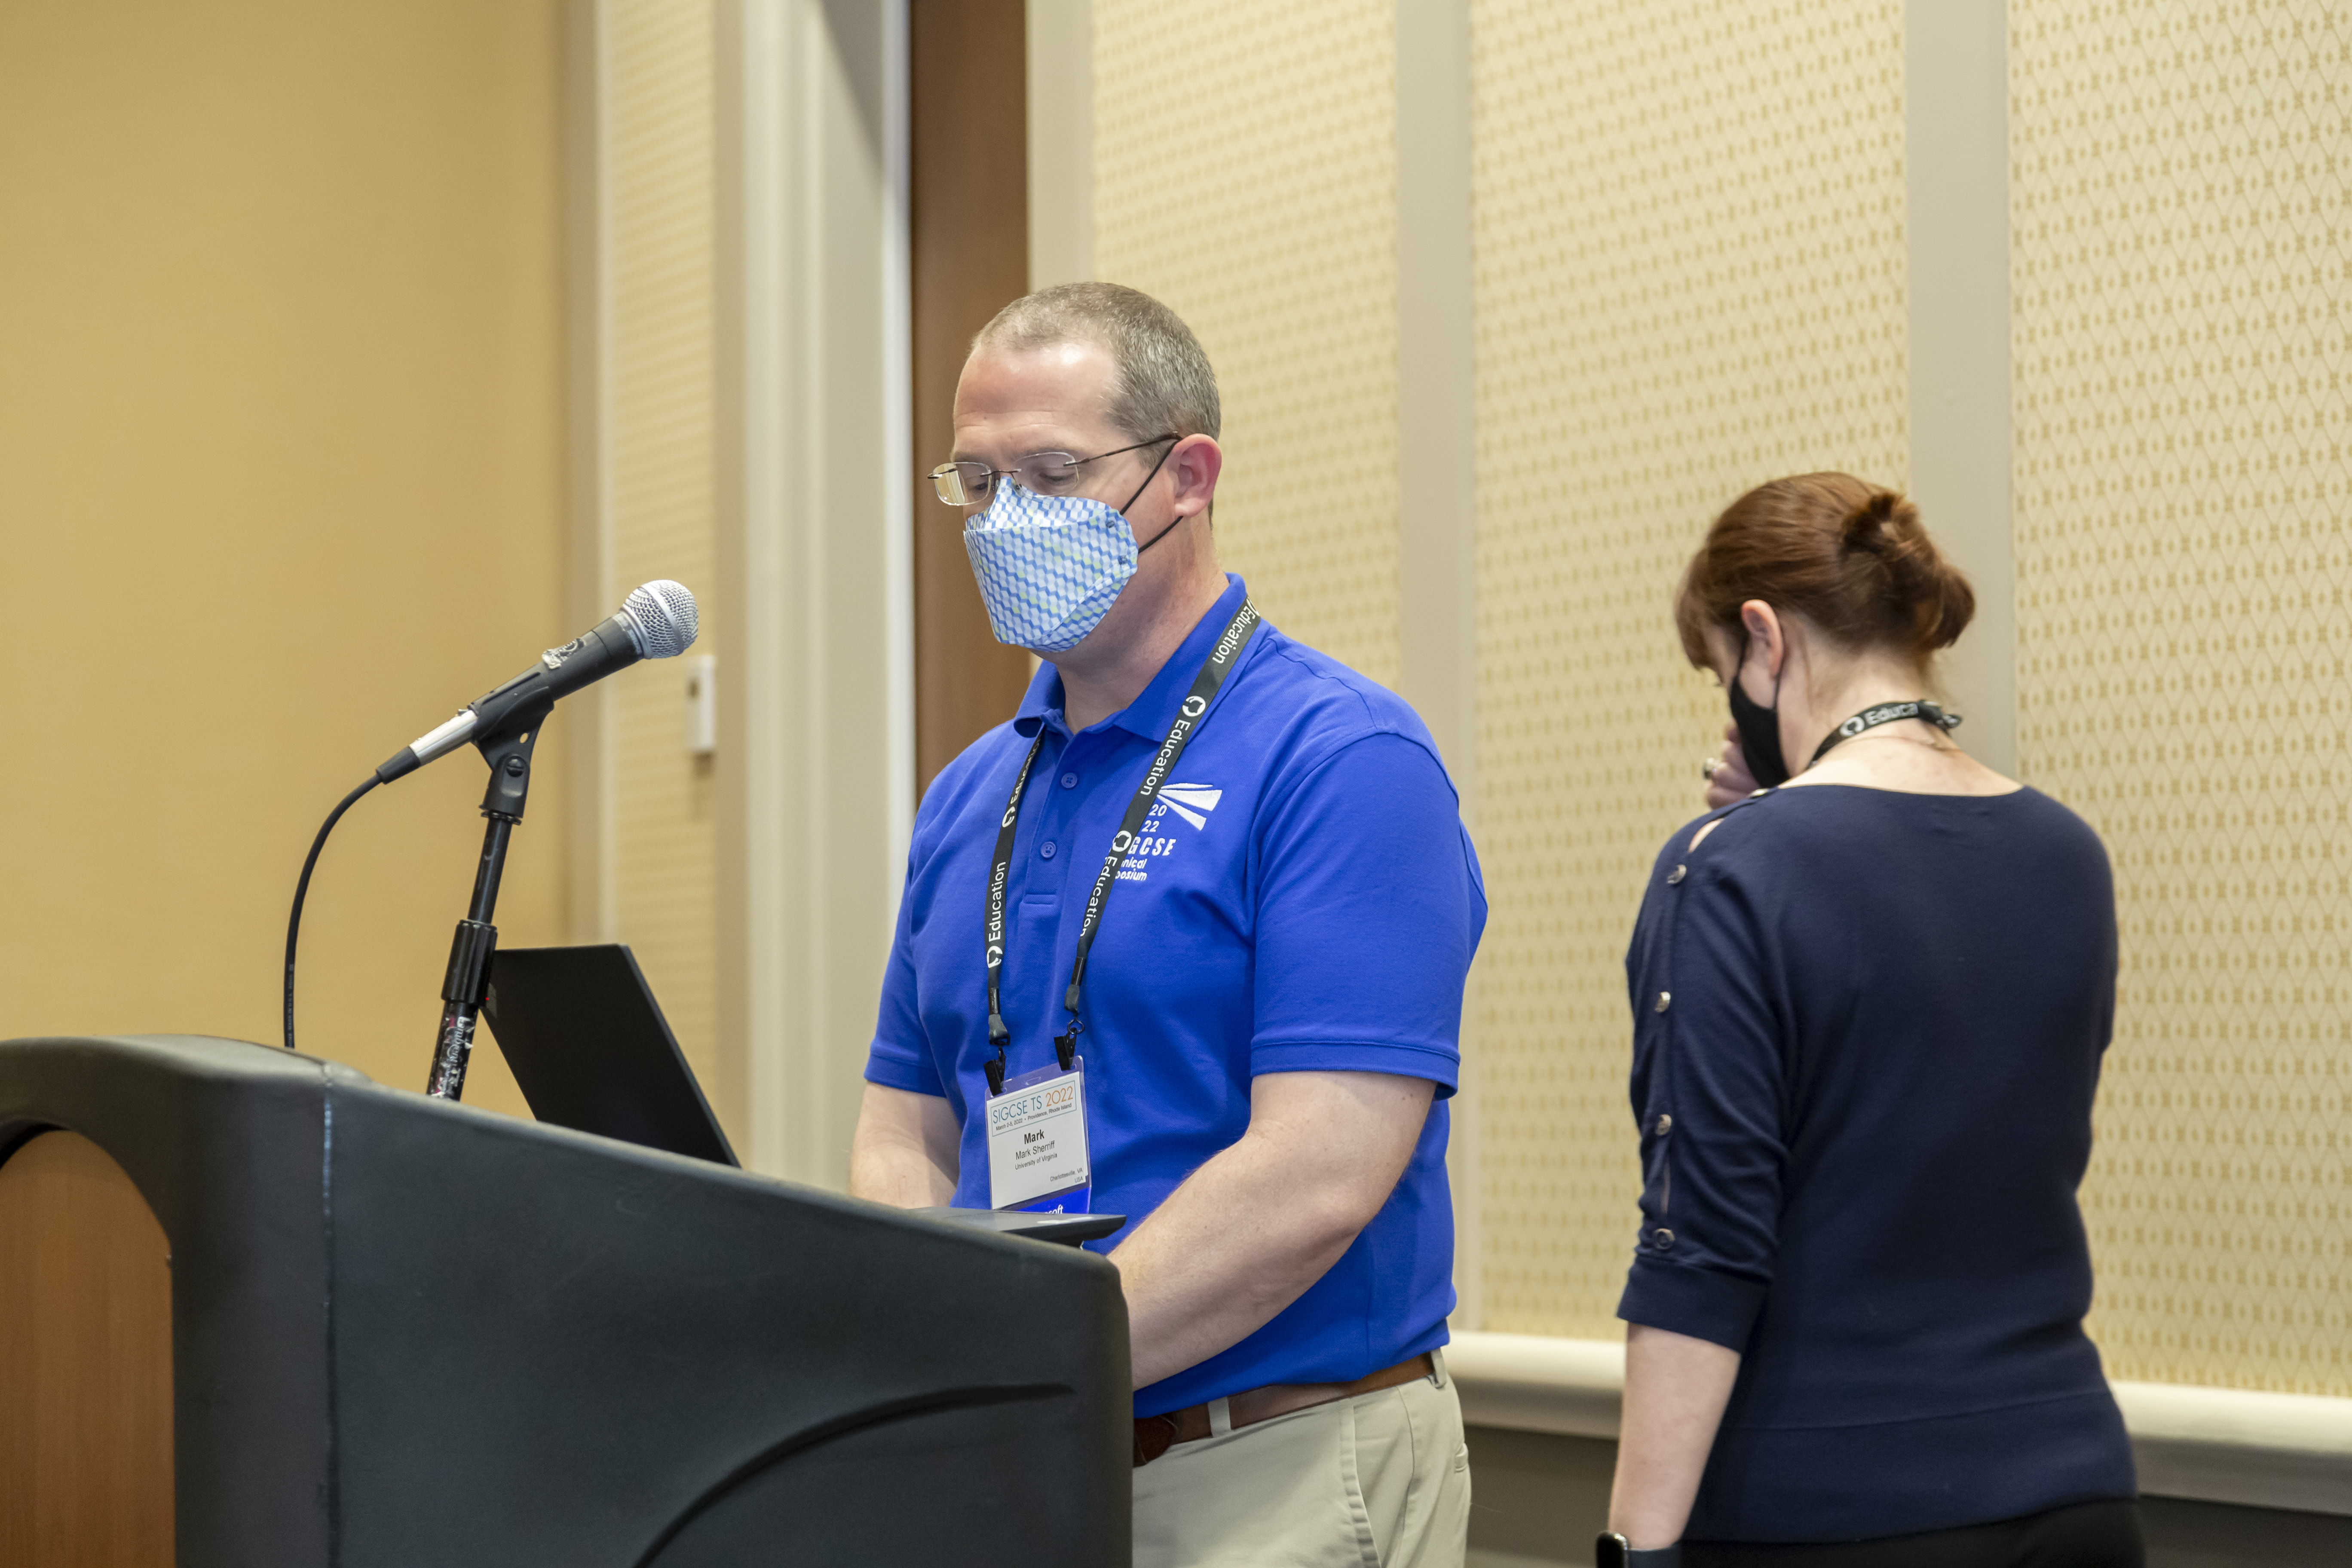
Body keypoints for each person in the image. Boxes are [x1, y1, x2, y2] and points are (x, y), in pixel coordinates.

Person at [850, 282, 1484, 1568]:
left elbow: (1319, 1174)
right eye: (979, 483)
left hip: (1276, 1467)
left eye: (1052, 474)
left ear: (1187, 477)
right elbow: (906, 1128)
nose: (1005, 521)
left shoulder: (1342, 758)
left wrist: (1029, 1357)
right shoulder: (971, 794)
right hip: (1020, 1462)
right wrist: (949, 1357)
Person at [1596, 474, 2143, 1568]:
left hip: (1830, 1505)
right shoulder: (2067, 853)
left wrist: (1635, 1550)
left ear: (1765, 638)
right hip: (2074, 1486)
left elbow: (1703, 1246)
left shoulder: (1729, 873)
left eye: (1721, 672)